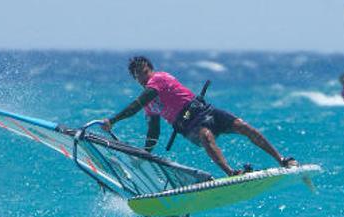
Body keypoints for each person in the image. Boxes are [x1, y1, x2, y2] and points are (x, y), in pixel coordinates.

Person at [101, 56, 298, 176]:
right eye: (139, 76)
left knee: (243, 126)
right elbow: (153, 131)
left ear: (151, 70)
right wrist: (146, 153)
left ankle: (281, 159)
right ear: (135, 79)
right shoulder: (149, 105)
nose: (144, 78)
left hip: (205, 111)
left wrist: (113, 121)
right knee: (206, 136)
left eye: (145, 72)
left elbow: (135, 106)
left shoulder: (159, 79)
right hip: (188, 125)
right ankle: (231, 173)